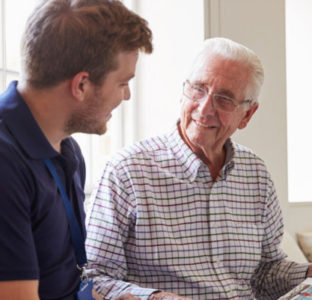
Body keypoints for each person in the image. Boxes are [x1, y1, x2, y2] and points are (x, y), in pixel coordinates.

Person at [85, 37, 312, 300]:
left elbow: (265, 272)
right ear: (184, 89)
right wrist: (156, 298)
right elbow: (95, 279)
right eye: (198, 89)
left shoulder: (256, 174)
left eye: (224, 99)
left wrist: (306, 274)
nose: (204, 109)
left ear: (247, 115)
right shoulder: (125, 172)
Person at [0, 0, 152, 299]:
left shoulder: (66, 150)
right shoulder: (5, 167)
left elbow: (63, 282)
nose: (127, 95)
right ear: (81, 84)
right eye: (123, 82)